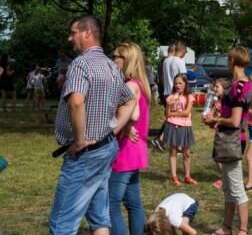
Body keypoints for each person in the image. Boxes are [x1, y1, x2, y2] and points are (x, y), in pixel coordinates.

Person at [49, 15, 136, 235]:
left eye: (73, 32)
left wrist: (79, 141)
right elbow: (131, 100)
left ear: (87, 33)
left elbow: (76, 101)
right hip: (105, 149)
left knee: (61, 224)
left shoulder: (81, 63)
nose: (70, 38)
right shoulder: (111, 65)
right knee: (99, 219)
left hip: (85, 155)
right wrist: (112, 130)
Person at [202, 46, 252, 235]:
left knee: (237, 188)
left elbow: (235, 121)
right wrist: (214, 122)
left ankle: (243, 230)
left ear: (232, 61)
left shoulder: (239, 88)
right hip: (229, 139)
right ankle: (226, 227)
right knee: (228, 188)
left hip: (233, 141)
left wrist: (216, 119)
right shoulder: (237, 85)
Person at [109, 42, 151, 235]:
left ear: (127, 60)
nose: (112, 59)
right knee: (133, 203)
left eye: (115, 56)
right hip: (136, 150)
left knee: (112, 203)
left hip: (126, 152)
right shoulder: (139, 84)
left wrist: (124, 126)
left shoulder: (129, 85)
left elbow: (133, 115)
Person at [153, 42, 188, 152]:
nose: (185, 54)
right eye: (185, 52)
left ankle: (173, 144)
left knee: (171, 117)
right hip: (177, 92)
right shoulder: (180, 62)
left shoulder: (166, 61)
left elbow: (163, 78)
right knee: (176, 119)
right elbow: (184, 80)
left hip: (167, 92)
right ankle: (163, 140)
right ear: (182, 51)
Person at [165, 74, 198, 187]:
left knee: (187, 153)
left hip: (185, 126)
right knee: (173, 151)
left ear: (185, 84)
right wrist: (169, 106)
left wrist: (172, 114)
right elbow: (167, 114)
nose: (178, 85)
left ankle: (187, 176)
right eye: (176, 83)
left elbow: (186, 112)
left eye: (180, 83)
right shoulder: (170, 98)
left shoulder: (189, 97)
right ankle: (174, 177)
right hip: (172, 126)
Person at [210, 78, 231, 189]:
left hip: (225, 133)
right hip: (218, 131)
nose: (215, 88)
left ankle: (226, 179)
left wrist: (214, 119)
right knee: (216, 156)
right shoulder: (217, 101)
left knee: (220, 156)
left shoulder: (227, 102)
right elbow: (212, 113)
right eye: (215, 86)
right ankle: (225, 178)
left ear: (224, 89)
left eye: (217, 86)